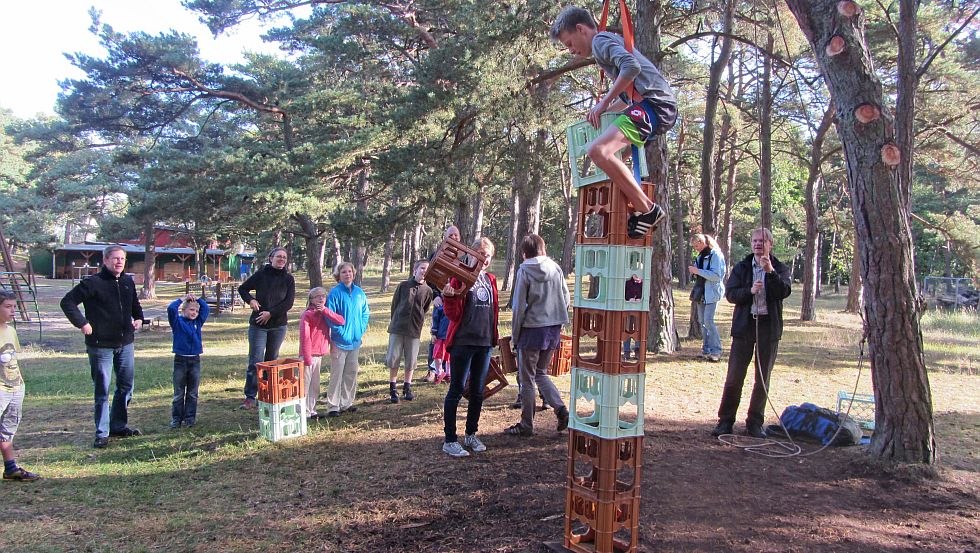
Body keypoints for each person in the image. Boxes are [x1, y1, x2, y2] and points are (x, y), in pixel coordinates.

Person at [550, 6, 678, 239]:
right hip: (653, 105)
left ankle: (647, 210)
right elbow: (628, 92)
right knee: (612, 158)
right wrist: (606, 107)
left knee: (598, 150)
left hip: (655, 105)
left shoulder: (600, 41)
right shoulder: (606, 43)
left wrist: (602, 103)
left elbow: (631, 67)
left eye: (569, 43)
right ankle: (635, 208)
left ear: (580, 29)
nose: (571, 51)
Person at [61, 245, 144, 449]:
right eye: (115, 259)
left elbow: (135, 304)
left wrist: (139, 319)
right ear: (105, 260)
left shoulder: (127, 281)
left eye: (122, 259)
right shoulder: (92, 283)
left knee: (126, 387)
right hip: (100, 346)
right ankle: (102, 432)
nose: (119, 262)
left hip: (125, 343)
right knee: (102, 390)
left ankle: (118, 426)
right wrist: (82, 323)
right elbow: (67, 302)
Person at [711, 228, 791, 439]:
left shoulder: (780, 268)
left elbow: (783, 292)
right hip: (744, 327)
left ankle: (755, 423)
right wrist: (750, 292)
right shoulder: (742, 267)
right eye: (755, 240)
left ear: (770, 244)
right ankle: (725, 421)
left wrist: (770, 272)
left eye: (762, 241)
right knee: (734, 377)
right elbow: (730, 294)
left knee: (762, 378)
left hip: (768, 329)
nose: (757, 244)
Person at [504, 235, 571, 437]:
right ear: (543, 248)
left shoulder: (524, 270)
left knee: (527, 380)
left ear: (524, 253)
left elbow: (519, 308)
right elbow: (566, 297)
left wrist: (515, 337)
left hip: (531, 330)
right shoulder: (555, 267)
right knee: (541, 373)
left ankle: (526, 424)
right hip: (552, 329)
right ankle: (560, 409)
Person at [441, 237, 500, 457]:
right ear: (473, 253)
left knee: (477, 392)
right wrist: (449, 298)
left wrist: (494, 338)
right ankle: (450, 440)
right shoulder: (460, 277)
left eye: (489, 255)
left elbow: (492, 312)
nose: (485, 258)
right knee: (456, 390)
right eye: (482, 253)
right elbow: (453, 314)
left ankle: (471, 434)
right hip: (463, 342)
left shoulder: (491, 280)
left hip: (484, 344)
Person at [238, 247, 296, 410]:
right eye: (279, 256)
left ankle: (268, 393)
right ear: (271, 258)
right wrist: (250, 301)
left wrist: (270, 313)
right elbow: (243, 289)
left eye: (284, 257)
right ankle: (250, 396)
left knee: (271, 360)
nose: (282, 259)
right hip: (258, 325)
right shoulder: (261, 274)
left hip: (278, 325)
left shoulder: (289, 279)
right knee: (255, 360)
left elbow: (288, 303)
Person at [0, 290, 40, 480]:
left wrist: (19, 385)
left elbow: (12, 359)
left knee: (8, 430)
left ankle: (10, 468)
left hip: (15, 387)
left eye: (14, 306)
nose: (13, 311)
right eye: (8, 307)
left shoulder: (11, 331)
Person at [324, 262, 370, 417]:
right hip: (339, 341)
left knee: (351, 373)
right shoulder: (335, 293)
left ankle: (346, 403)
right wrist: (340, 332)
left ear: (354, 273)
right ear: (339, 275)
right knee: (337, 374)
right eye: (344, 272)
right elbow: (329, 315)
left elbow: (365, 313)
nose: (347, 274)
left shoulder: (359, 292)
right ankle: (333, 406)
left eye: (350, 271)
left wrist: (361, 329)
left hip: (355, 341)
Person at [386, 260, 434, 403]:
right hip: (398, 328)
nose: (424, 271)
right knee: (394, 358)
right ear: (415, 270)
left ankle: (407, 387)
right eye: (422, 268)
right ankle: (393, 388)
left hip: (414, 330)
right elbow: (394, 305)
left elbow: (424, 308)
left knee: (411, 360)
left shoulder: (428, 290)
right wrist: (396, 320)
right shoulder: (403, 286)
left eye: (427, 269)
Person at [298, 287, 344, 420]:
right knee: (305, 384)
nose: (321, 298)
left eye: (323, 296)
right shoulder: (307, 315)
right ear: (311, 300)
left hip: (319, 354)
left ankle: (312, 410)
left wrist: (325, 310)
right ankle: (303, 411)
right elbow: (304, 337)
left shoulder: (325, 312)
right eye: (317, 296)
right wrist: (306, 357)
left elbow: (340, 320)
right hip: (308, 354)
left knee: (315, 385)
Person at [167, 294, 209, 429]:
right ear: (183, 310)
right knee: (179, 393)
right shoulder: (177, 322)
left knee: (192, 392)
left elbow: (206, 309)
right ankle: (176, 419)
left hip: (195, 360)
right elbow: (171, 309)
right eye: (191, 310)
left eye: (196, 311)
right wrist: (182, 299)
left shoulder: (198, 323)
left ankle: (189, 418)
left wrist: (198, 300)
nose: (194, 313)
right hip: (180, 360)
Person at [688, 234, 726, 362]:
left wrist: (697, 271)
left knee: (708, 321)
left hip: (712, 293)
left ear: (701, 242)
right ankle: (706, 350)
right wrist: (694, 272)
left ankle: (716, 351)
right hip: (701, 293)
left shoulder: (716, 255)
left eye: (696, 245)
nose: (695, 248)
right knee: (702, 323)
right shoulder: (700, 256)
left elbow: (716, 275)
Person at [426, 298, 451, 383]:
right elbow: (435, 319)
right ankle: (438, 373)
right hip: (440, 335)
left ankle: (449, 374)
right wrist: (433, 333)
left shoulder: (456, 302)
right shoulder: (440, 304)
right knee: (437, 355)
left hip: (451, 336)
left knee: (449, 357)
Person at [622, 273, 643, 359]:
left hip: (640, 311)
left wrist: (640, 299)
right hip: (628, 309)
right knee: (626, 329)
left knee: (639, 329)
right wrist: (629, 299)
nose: (637, 276)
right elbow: (623, 294)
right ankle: (626, 351)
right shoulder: (627, 283)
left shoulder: (644, 283)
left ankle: (637, 350)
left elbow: (649, 297)